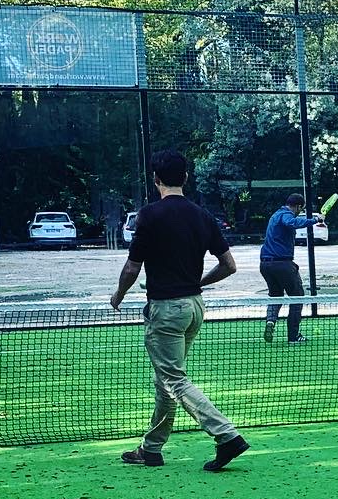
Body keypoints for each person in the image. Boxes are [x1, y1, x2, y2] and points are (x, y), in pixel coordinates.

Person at [108, 150, 250, 473]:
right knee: (166, 379)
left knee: (174, 380)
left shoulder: (149, 215)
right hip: (194, 308)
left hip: (167, 311)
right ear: (185, 177)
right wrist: (198, 282)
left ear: (155, 179)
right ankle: (151, 449)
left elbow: (132, 268)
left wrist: (118, 295)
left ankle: (227, 435)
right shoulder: (202, 215)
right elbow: (228, 266)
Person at [260, 193, 322, 343]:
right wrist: (315, 220)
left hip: (265, 265)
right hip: (282, 264)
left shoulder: (275, 215)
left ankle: (271, 321)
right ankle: (293, 336)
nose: (300, 212)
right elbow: (291, 222)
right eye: (301, 209)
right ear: (298, 207)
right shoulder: (286, 215)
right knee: (297, 297)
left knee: (275, 296)